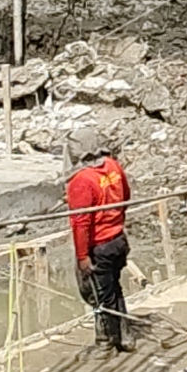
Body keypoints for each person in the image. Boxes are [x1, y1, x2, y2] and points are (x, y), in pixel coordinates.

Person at [63, 136, 134, 353]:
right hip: (118, 239)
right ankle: (125, 336)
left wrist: (83, 256)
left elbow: (80, 223)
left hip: (99, 245)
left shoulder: (81, 181)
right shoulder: (113, 166)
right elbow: (126, 195)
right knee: (115, 288)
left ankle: (108, 342)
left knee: (99, 294)